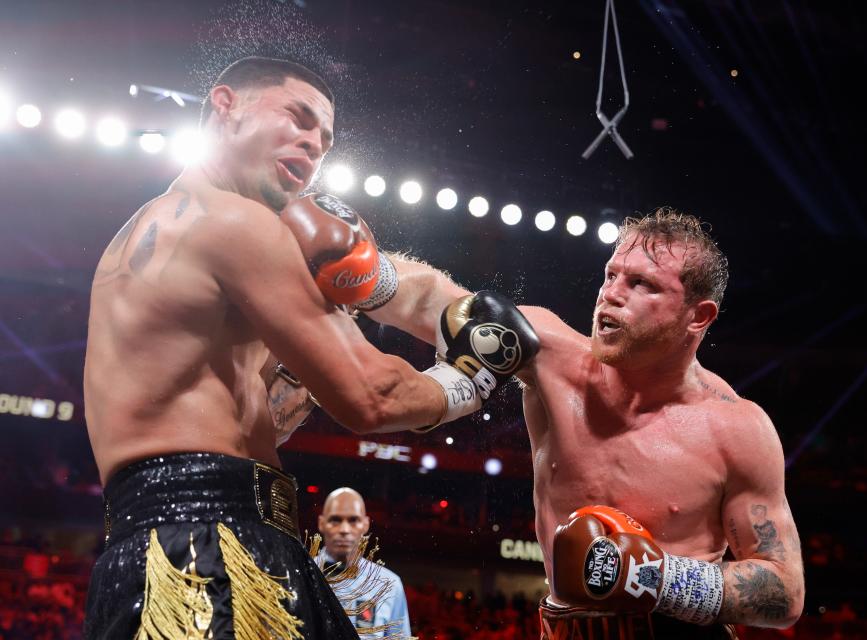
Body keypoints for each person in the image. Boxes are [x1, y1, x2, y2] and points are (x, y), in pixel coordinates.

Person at [82, 56, 537, 639]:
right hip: (211, 549)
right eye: (297, 119)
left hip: (156, 542)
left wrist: (448, 309)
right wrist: (471, 379)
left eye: (324, 139)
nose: (313, 144)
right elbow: (370, 396)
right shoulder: (238, 224)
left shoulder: (156, 229)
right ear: (225, 106)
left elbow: (393, 295)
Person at [362, 209, 805, 638]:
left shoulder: (736, 428)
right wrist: (357, 264)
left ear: (698, 316)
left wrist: (657, 578)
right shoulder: (549, 356)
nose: (611, 293)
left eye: (641, 284)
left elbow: (784, 591)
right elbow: (435, 303)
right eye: (611, 275)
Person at [315, 488, 412, 638]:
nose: (344, 529)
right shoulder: (299, 574)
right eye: (335, 520)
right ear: (321, 523)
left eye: (353, 520)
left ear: (365, 524)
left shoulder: (389, 585)